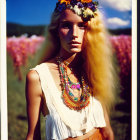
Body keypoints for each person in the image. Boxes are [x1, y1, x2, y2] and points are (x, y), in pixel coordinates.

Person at [25, 0, 118, 139]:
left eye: (82, 26)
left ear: (92, 31)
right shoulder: (38, 77)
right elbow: (33, 136)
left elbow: (107, 131)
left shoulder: (94, 71)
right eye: (66, 25)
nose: (74, 34)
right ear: (56, 30)